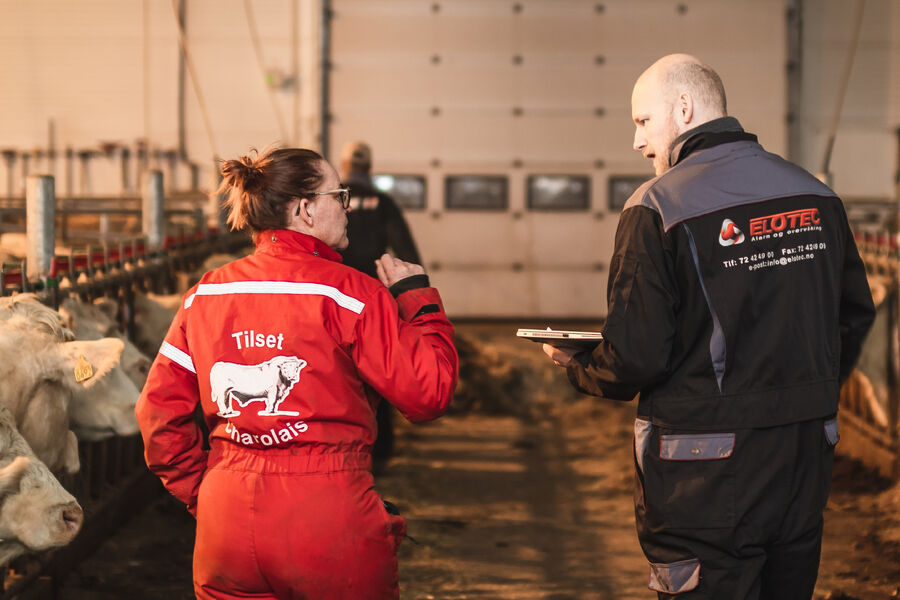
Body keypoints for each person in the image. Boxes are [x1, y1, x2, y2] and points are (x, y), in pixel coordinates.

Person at [542, 54, 875, 599]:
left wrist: (582, 366)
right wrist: (805, 396)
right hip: (802, 458)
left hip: (702, 474)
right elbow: (854, 315)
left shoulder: (656, 207)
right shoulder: (815, 196)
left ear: (685, 107)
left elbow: (635, 357)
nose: (636, 141)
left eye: (643, 121)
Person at [135, 146, 458, 599]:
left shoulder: (204, 295)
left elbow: (157, 416)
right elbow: (430, 393)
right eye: (338, 196)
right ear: (305, 209)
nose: (348, 208)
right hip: (326, 518)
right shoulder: (352, 295)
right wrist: (417, 301)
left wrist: (204, 494)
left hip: (226, 521)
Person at [339, 140, 423, 467]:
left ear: (344, 167)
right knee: (378, 369)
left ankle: (344, 447)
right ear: (370, 168)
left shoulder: (332, 199)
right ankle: (381, 449)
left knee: (337, 370)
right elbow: (406, 250)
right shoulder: (384, 203)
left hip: (333, 297)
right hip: (374, 300)